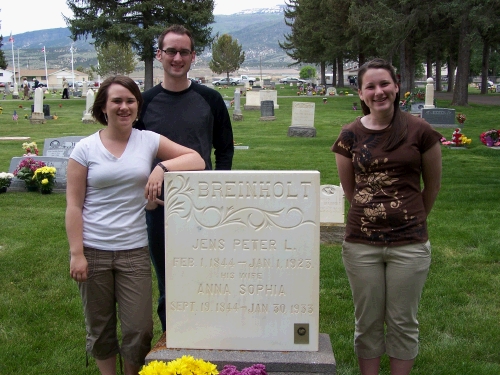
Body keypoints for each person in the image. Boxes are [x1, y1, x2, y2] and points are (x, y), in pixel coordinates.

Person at [66, 75, 205, 375]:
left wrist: (162, 167)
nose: (124, 107)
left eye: (131, 101)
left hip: (134, 250)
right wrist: (77, 253)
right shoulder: (85, 149)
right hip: (94, 250)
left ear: (138, 107)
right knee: (100, 327)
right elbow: (74, 206)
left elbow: (196, 160)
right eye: (116, 101)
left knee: (139, 329)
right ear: (103, 107)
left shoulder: (148, 140)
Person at [331, 58, 442, 375]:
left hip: (409, 243)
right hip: (361, 244)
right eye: (371, 86)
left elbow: (431, 186)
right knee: (366, 321)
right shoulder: (349, 135)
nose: (379, 91)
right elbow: (350, 190)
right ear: (362, 93)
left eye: (384, 84)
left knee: (403, 321)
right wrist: (373, 214)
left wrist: (412, 217)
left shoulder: (421, 132)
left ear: (397, 87)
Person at [135, 24, 234, 332]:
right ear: (159, 55)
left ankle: (211, 337)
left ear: (193, 57)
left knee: (209, 278)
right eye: (171, 51)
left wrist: (220, 191)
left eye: (184, 52)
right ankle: (172, 342)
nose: (177, 58)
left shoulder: (211, 99)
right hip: (161, 205)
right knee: (168, 282)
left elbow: (225, 150)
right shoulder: (145, 102)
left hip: (205, 204)